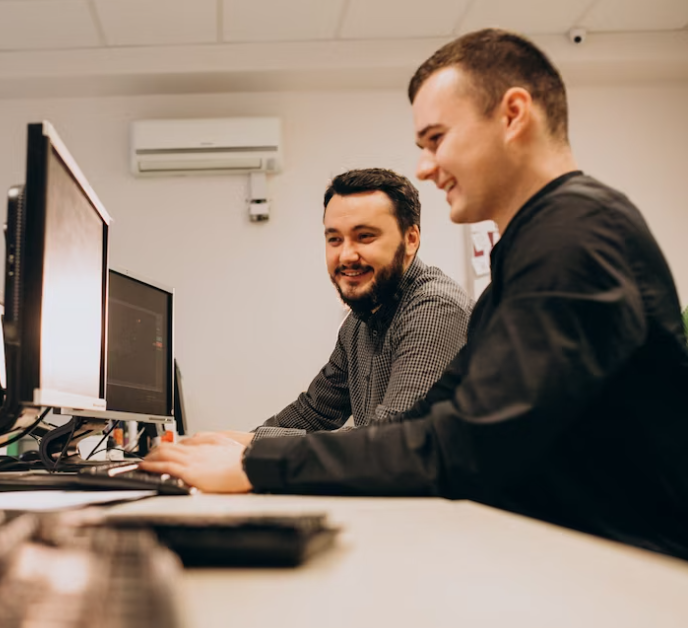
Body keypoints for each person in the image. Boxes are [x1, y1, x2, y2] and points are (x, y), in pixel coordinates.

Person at [142, 28, 688, 560]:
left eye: (436, 140)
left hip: (627, 570)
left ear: (513, 115)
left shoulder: (575, 236)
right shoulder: (535, 248)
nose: (426, 168)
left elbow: (459, 448)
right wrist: (250, 447)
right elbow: (421, 427)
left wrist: (255, 466)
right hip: (577, 555)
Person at [229, 168, 471, 447]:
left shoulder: (435, 308)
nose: (346, 255)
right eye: (334, 239)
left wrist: (253, 446)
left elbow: (391, 440)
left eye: (365, 236)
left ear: (411, 239)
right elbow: (315, 411)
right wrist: (234, 442)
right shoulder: (361, 318)